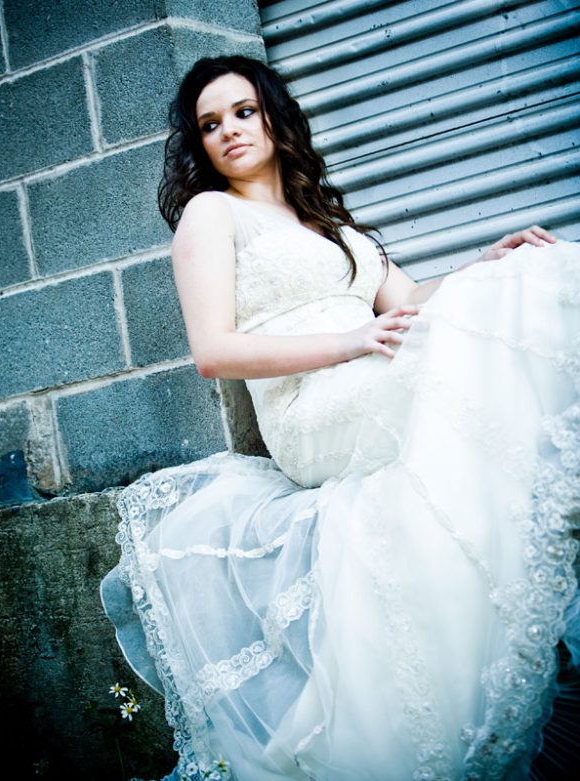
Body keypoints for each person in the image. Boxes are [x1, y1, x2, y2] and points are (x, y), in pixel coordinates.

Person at [101, 55, 580, 781]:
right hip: (311, 408)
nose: (229, 130)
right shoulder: (211, 214)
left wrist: (484, 263)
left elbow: (407, 300)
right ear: (198, 144)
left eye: (243, 112)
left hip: (370, 376)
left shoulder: (324, 219)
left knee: (521, 283)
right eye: (209, 124)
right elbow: (213, 352)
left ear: (274, 116)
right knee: (470, 366)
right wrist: (349, 342)